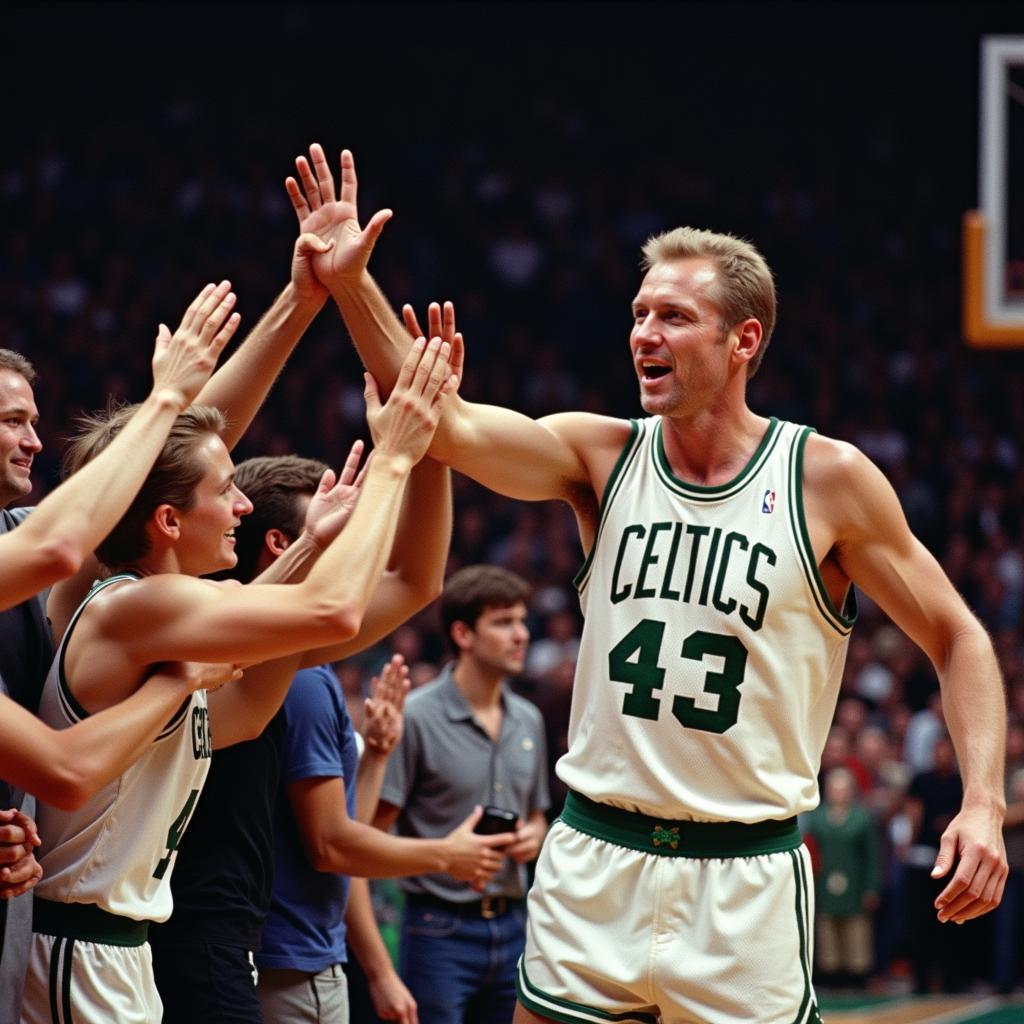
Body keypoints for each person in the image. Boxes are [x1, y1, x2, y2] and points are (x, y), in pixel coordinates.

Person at [287, 143, 1008, 1024]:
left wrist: (982, 802)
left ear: (742, 341)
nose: (643, 334)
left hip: (743, 878)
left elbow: (959, 636)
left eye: (672, 316)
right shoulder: (604, 454)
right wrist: (354, 285)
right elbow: (445, 423)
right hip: (597, 853)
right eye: (638, 314)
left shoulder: (828, 480)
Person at [19, 335, 459, 1024]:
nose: (243, 506)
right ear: (168, 520)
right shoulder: (136, 605)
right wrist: (396, 461)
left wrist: (426, 453)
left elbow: (406, 588)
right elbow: (333, 610)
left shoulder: (168, 643)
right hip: (84, 944)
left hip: (122, 950)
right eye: (225, 491)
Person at [151, 452, 510, 1024]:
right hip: (247, 954)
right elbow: (332, 846)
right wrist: (446, 854)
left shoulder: (266, 654)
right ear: (281, 543)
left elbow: (418, 582)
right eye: (330, 525)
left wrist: (373, 763)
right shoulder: (286, 672)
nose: (351, 544)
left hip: (255, 947)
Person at [0, 282, 240, 1020]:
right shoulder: (47, 556)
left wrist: (299, 302)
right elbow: (63, 770)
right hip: (79, 942)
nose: (35, 440)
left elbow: (170, 475)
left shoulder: (21, 532)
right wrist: (166, 395)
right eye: (12, 420)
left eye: (35, 421)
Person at [373, 565, 550, 1023]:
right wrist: (446, 856)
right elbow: (368, 836)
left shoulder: (528, 718)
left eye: (522, 620)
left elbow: (537, 815)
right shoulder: (414, 717)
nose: (521, 635)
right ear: (463, 634)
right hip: (437, 930)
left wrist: (533, 835)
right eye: (503, 622)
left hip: (515, 924)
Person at [802, 766, 881, 989]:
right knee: (827, 935)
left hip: (855, 885)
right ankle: (830, 980)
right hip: (824, 884)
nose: (838, 793)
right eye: (833, 788)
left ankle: (856, 981)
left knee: (856, 935)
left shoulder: (862, 818)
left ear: (851, 790)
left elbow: (872, 857)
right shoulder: (816, 818)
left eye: (842, 788)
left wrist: (871, 888)